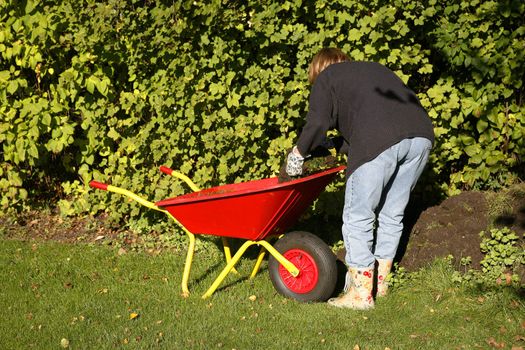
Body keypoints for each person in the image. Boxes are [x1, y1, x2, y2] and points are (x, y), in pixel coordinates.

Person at [286, 48, 434, 310]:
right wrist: (333, 145)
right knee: (391, 215)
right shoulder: (372, 71)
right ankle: (380, 284)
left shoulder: (327, 78)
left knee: (358, 217)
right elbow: (372, 120)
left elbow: (318, 121)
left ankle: (360, 295)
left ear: (318, 70)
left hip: (378, 138)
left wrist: (298, 154)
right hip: (421, 136)